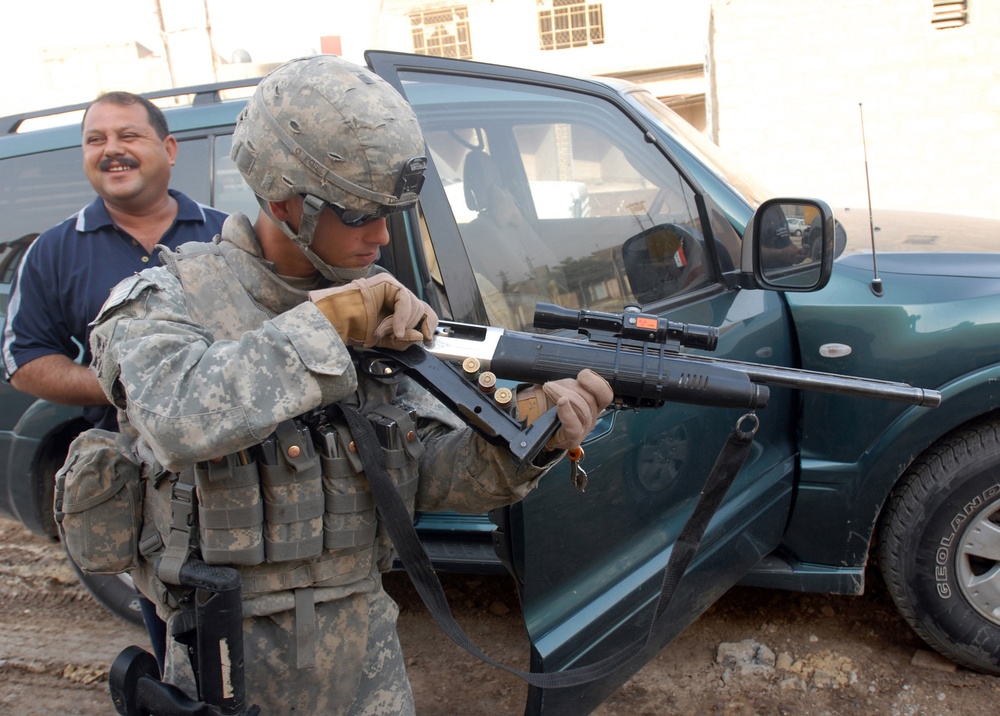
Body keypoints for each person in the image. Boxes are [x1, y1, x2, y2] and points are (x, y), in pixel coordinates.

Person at [86, 54, 612, 713]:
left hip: (368, 663)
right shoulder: (165, 300)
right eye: (361, 214)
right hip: (233, 666)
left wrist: (531, 431)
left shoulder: (372, 315)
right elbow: (178, 413)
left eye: (389, 213)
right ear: (285, 202)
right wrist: (327, 326)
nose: (382, 236)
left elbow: (427, 477)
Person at [0, 90, 226, 671]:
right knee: (178, 644)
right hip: (143, 486)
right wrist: (123, 388)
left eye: (128, 136)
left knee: (268, 636)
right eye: (96, 139)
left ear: (168, 149)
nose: (112, 150)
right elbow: (24, 361)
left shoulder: (232, 237)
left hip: (242, 471)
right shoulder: (53, 252)